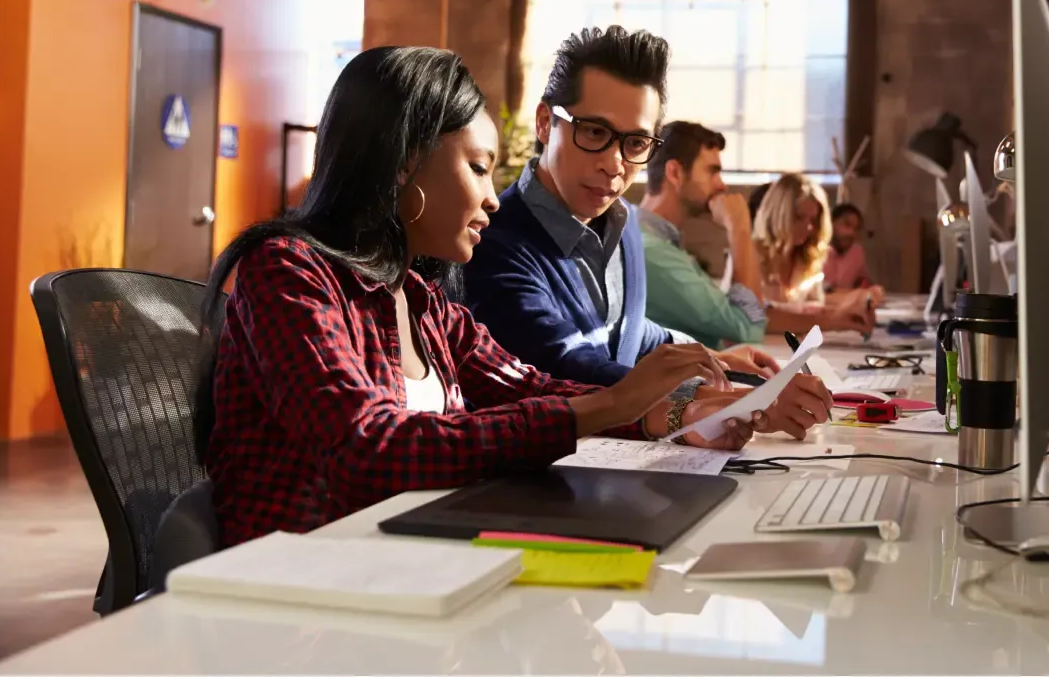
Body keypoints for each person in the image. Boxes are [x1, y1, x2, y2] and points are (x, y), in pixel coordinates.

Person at [195, 47, 790, 548]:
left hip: (411, 569)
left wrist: (672, 414)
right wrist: (615, 405)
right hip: (302, 601)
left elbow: (529, 385)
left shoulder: (423, 302)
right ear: (406, 165)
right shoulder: (287, 273)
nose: (493, 197)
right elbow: (369, 449)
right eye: (479, 168)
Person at [459, 26, 829, 436]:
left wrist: (704, 356)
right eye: (595, 133)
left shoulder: (625, 223)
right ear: (545, 123)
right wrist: (731, 400)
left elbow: (625, 331)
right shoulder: (493, 243)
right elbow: (563, 366)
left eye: (635, 143)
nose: (614, 164)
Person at [638, 121, 874, 348]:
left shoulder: (664, 245)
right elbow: (749, 326)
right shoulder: (654, 252)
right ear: (675, 173)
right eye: (713, 172)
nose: (722, 186)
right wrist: (739, 226)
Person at [754, 173, 881, 313]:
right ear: (778, 215)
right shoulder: (750, 257)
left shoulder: (806, 260)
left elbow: (817, 308)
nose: (809, 227)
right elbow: (754, 317)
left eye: (813, 220)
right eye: (799, 217)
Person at [823, 202, 872, 291]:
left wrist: (864, 286)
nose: (851, 233)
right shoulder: (816, 251)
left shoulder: (857, 252)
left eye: (856, 228)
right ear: (831, 223)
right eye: (847, 225)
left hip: (849, 302)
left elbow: (863, 280)